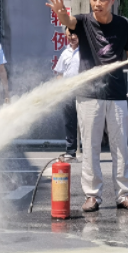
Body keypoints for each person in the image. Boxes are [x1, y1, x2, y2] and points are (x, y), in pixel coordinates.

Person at [46, 0, 128, 212]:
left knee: (121, 147)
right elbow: (68, 22)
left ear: (112, 0)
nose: (97, 3)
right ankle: (92, 196)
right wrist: (61, 13)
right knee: (90, 147)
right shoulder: (82, 22)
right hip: (88, 95)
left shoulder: (122, 25)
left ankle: (124, 194)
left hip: (117, 95)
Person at [53, 26, 80, 160]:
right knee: (70, 122)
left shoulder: (86, 51)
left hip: (84, 92)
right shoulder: (65, 53)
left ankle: (89, 152)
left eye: (74, 34)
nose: (72, 37)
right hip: (68, 93)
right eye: (69, 35)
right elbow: (59, 73)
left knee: (87, 122)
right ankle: (70, 151)